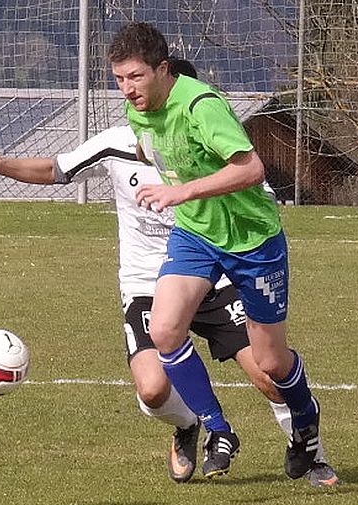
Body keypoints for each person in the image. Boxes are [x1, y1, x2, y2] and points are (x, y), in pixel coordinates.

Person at [0, 123, 338, 487]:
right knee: (152, 390)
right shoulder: (116, 144)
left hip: (214, 276)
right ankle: (189, 424)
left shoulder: (206, 141)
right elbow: (56, 169)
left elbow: (256, 192)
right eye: (127, 91)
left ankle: (312, 453)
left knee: (268, 375)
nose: (134, 99)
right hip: (147, 284)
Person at [107, 22, 326, 481]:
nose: (127, 89)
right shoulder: (138, 110)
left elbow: (251, 169)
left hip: (252, 240)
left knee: (271, 362)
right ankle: (218, 428)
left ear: (163, 69)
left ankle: (306, 420)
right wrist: (164, 174)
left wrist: (181, 191)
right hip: (196, 235)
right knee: (164, 330)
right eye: (120, 78)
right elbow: (153, 150)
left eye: (136, 77)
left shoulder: (201, 105)